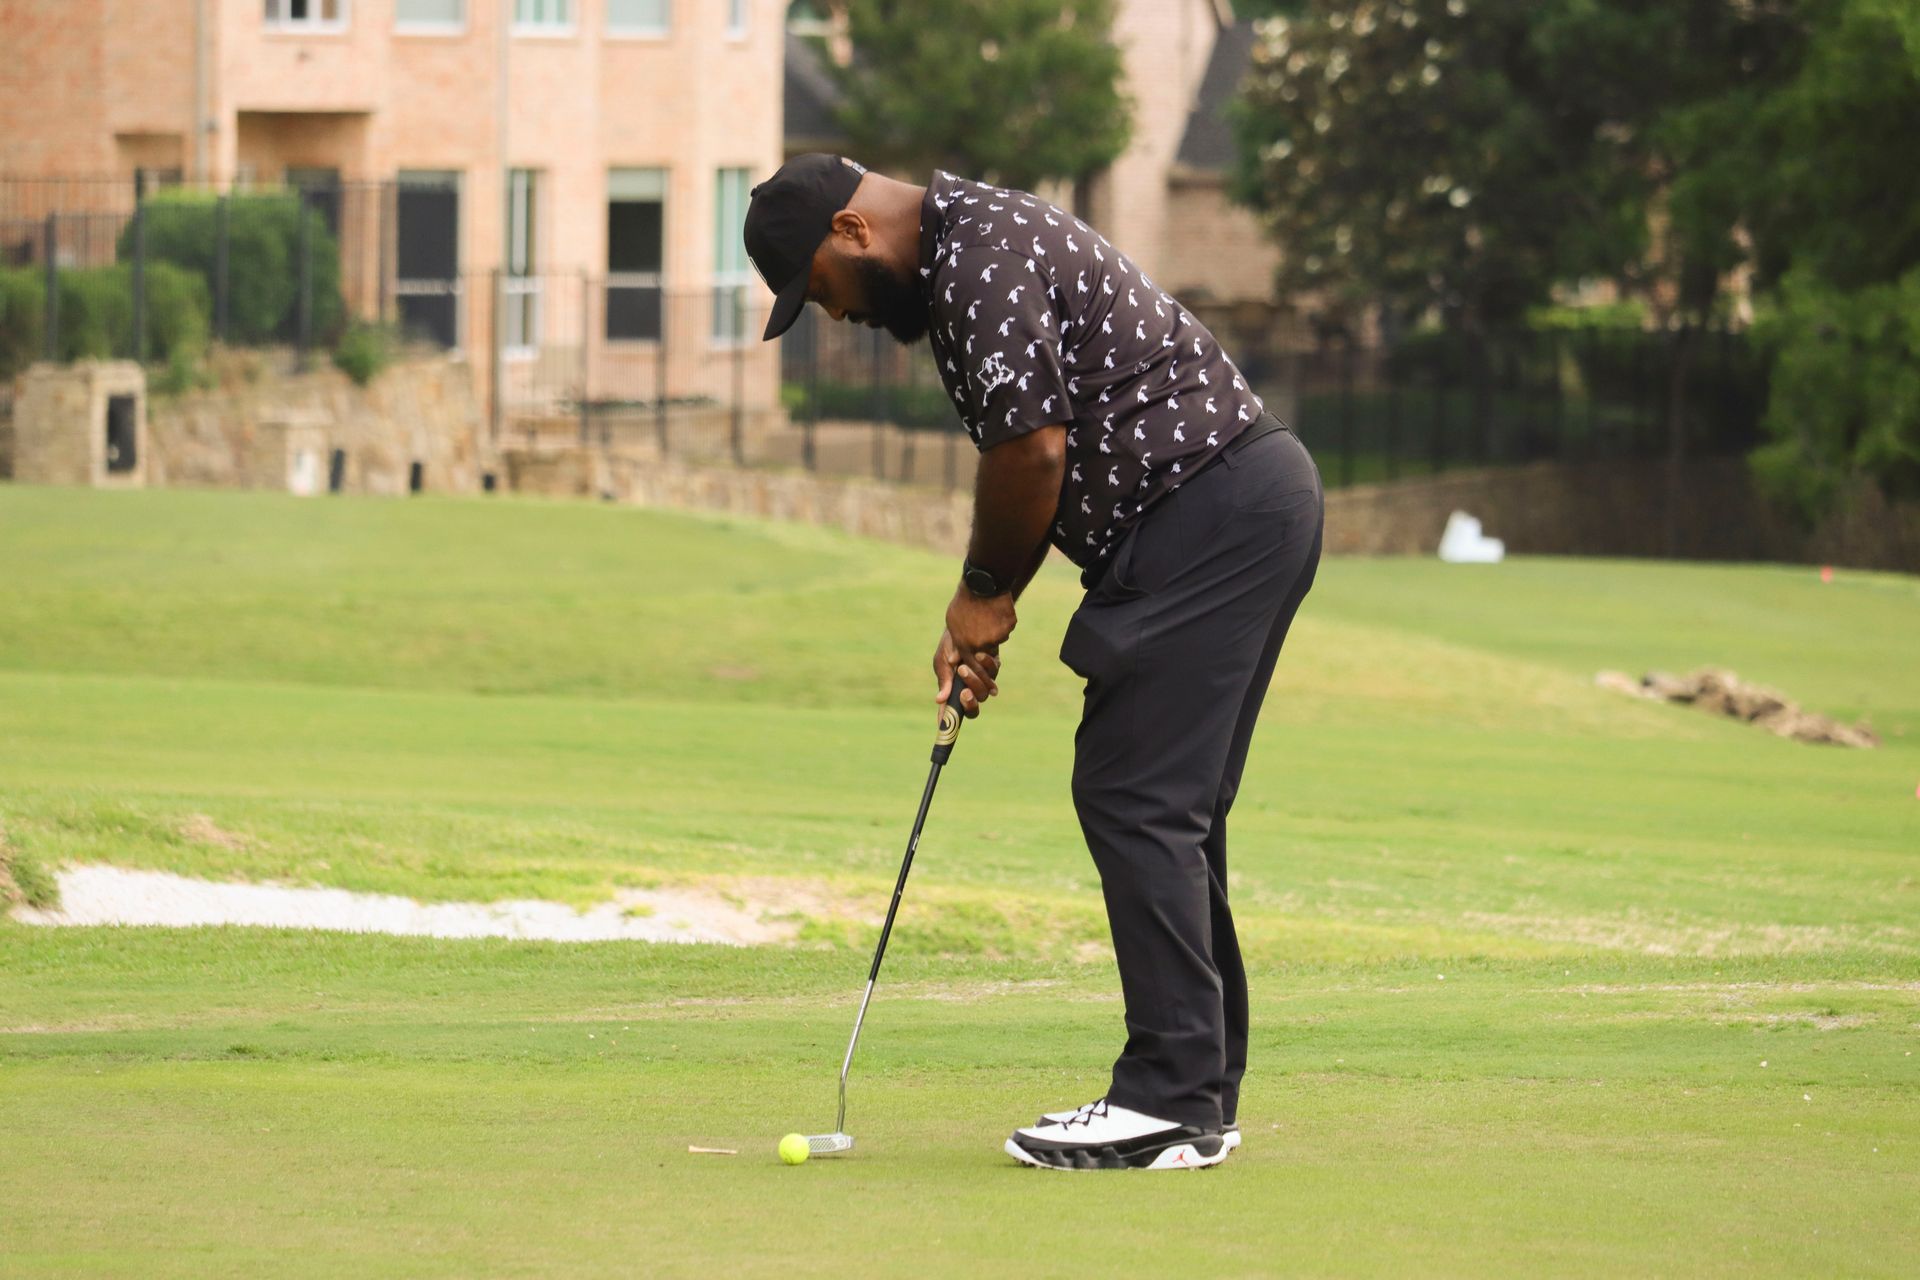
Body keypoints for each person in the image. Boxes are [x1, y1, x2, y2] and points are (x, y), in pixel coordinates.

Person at [746, 154, 1324, 1172]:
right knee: (1167, 802)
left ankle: (1171, 1096)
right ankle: (1200, 1093)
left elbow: (1031, 452)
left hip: (1212, 511)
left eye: (821, 296)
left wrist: (982, 591)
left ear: (850, 231)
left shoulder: (977, 259)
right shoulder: (976, 245)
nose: (836, 320)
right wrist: (982, 602)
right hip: (1225, 508)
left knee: (1136, 792)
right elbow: (1047, 458)